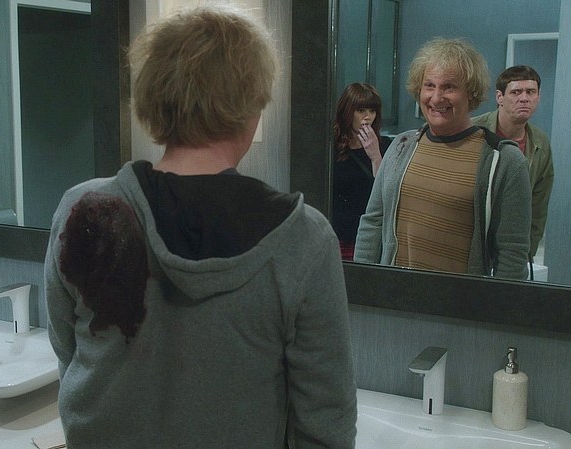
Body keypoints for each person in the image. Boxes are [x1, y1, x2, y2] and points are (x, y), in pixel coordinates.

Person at [44, 5, 357, 449]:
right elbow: (325, 423)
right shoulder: (303, 239)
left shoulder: (84, 213)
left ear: (151, 101)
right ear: (253, 109)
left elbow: (70, 353)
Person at [353, 37, 532, 280]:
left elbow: (512, 255)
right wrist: (362, 283)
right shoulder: (401, 146)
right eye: (429, 85)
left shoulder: (504, 161)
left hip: (460, 302)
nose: (436, 98)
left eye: (449, 87)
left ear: (471, 93)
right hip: (393, 296)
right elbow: (373, 223)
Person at [471, 65, 554, 277]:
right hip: (472, 238)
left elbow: (537, 207)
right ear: (499, 97)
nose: (524, 98)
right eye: (516, 92)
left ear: (538, 97)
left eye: (530, 92)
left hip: (512, 241)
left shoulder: (540, 143)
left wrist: (526, 253)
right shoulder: (474, 131)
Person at [331, 82, 393, 260]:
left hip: (370, 235)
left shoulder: (386, 145)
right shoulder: (331, 148)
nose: (367, 117)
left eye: (372, 111)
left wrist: (375, 156)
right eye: (361, 111)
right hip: (339, 235)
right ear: (348, 112)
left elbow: (387, 192)